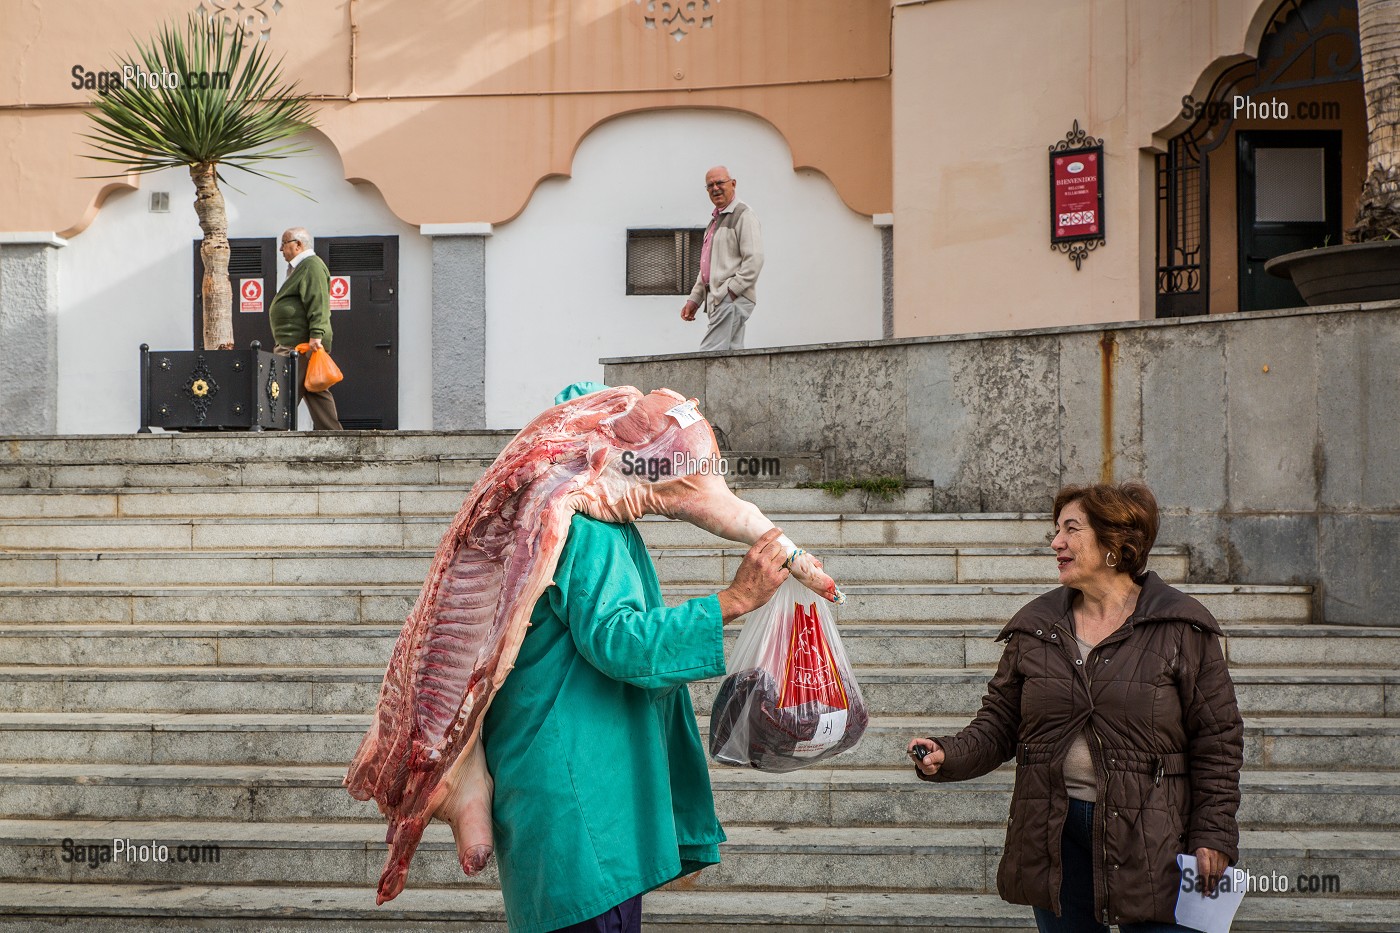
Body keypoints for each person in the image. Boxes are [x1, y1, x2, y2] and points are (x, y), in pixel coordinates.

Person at [907, 482, 1243, 932]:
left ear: (1113, 543)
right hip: (1056, 831)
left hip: (1155, 835)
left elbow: (1218, 740)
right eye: (1056, 530)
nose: (1056, 542)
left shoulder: (1181, 627)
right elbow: (1000, 723)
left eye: (1071, 529)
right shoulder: (1037, 627)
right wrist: (947, 754)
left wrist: (1214, 833)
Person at [480, 514, 791, 933]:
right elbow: (620, 642)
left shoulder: (564, 518)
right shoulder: (588, 529)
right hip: (580, 800)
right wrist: (734, 600)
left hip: (560, 790)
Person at [679, 165, 764, 352]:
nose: (715, 188)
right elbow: (707, 268)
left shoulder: (743, 214)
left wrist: (731, 291)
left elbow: (754, 259)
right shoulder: (716, 221)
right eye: (710, 185)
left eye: (720, 183)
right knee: (731, 356)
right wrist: (695, 299)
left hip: (730, 298)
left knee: (709, 355)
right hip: (722, 299)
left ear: (733, 184)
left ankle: (696, 384)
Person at [268, 226, 342, 430]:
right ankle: (333, 434)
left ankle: (273, 433)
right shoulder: (301, 267)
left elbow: (318, 302)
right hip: (299, 343)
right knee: (316, 388)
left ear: (298, 244)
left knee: (284, 389)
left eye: (283, 244)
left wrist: (316, 336)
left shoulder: (311, 266)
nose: (281, 250)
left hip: (300, 345)